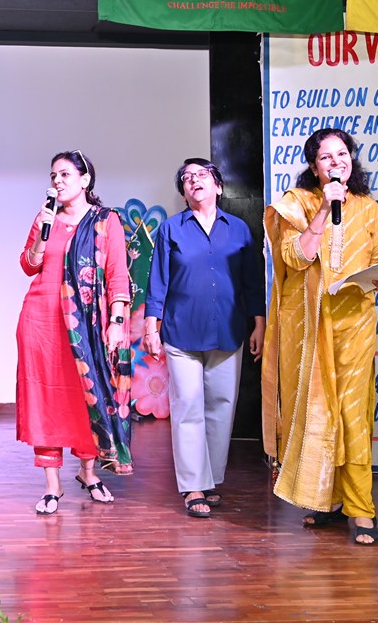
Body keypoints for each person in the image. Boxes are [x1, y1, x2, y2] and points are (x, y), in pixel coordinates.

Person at [262, 128, 378, 545]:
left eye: (342, 154)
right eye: (326, 157)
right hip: (310, 327)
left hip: (356, 324)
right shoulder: (298, 203)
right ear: (313, 165)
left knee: (353, 416)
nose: (337, 162)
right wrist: (324, 208)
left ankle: (362, 509)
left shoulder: (369, 208)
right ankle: (329, 501)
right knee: (319, 414)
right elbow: (295, 257)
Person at [142, 158, 265, 518]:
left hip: (228, 330)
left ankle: (209, 479)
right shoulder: (171, 229)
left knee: (221, 408)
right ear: (183, 192)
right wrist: (151, 326)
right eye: (187, 178)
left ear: (219, 186)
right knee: (188, 407)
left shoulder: (239, 229)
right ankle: (193, 486)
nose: (193, 180)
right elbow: (158, 281)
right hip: (181, 332)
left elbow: (252, 281)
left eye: (201, 175)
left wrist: (259, 324)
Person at [16, 150, 132, 515]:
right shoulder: (45, 218)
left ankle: (88, 472)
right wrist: (43, 229)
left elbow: (117, 273)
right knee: (46, 399)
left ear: (85, 180)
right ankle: (52, 485)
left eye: (65, 174)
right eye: (53, 175)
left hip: (87, 324)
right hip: (41, 322)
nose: (57, 181)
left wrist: (116, 322)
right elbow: (28, 265)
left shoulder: (105, 221)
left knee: (88, 395)